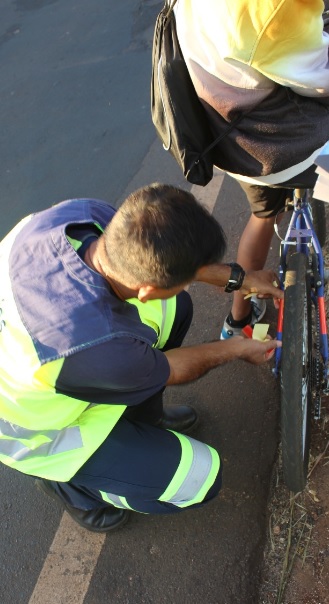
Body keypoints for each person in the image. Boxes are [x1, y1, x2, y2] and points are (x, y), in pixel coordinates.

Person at [0, 184, 281, 533]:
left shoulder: (82, 216)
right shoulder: (94, 350)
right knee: (201, 476)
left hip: (50, 367)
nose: (188, 282)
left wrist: (242, 280)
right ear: (146, 288)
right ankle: (72, 486)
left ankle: (139, 423)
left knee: (174, 307)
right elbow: (173, 367)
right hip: (36, 431)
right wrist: (238, 347)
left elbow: (167, 261)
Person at [173, 0, 329, 339]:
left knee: (263, 213)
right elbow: (319, 80)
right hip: (277, 143)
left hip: (227, 136)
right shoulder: (276, 8)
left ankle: (239, 318)